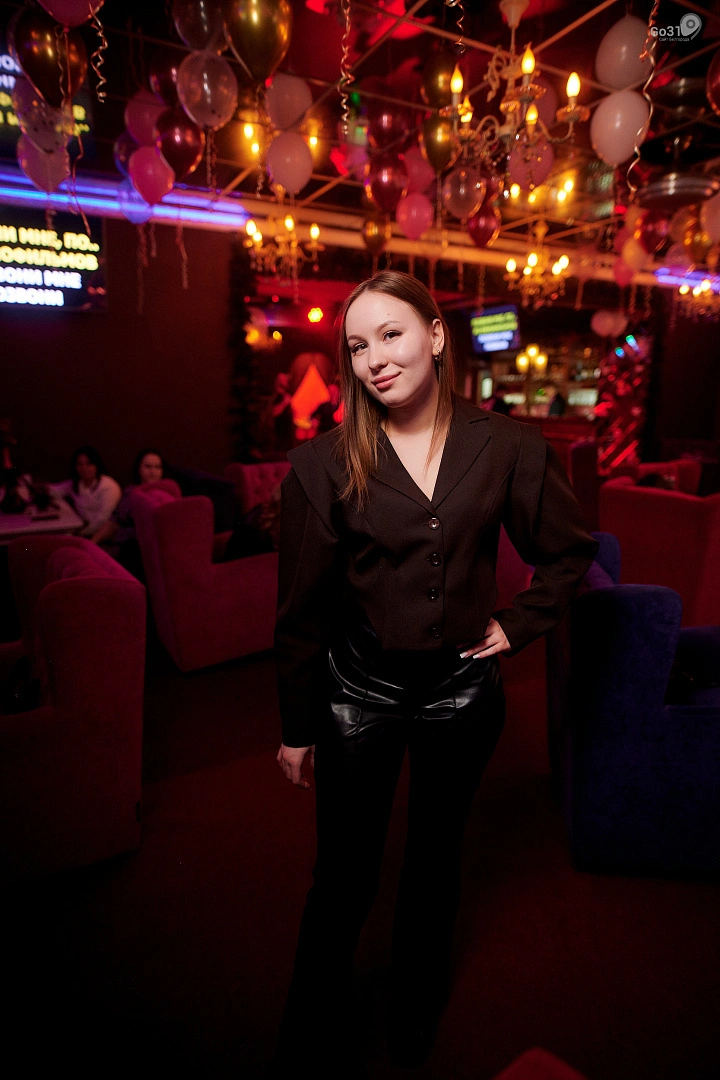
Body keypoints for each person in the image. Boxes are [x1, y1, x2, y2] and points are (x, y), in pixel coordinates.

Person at [271, 272, 598, 1075]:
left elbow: (566, 554)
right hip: (358, 693)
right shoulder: (322, 464)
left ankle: (415, 1002)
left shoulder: (509, 446)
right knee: (345, 873)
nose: (375, 359)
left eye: (391, 334)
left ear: (436, 335)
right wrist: (297, 727)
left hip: (460, 694)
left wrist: (516, 624)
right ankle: (312, 1018)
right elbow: (302, 611)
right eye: (358, 346)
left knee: (434, 858)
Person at [53, 445, 121, 540]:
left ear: (96, 465)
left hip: (103, 536)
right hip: (83, 531)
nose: (84, 468)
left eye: (89, 464)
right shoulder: (77, 484)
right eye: (80, 464)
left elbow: (103, 520)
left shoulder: (108, 486)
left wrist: (78, 534)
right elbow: (55, 491)